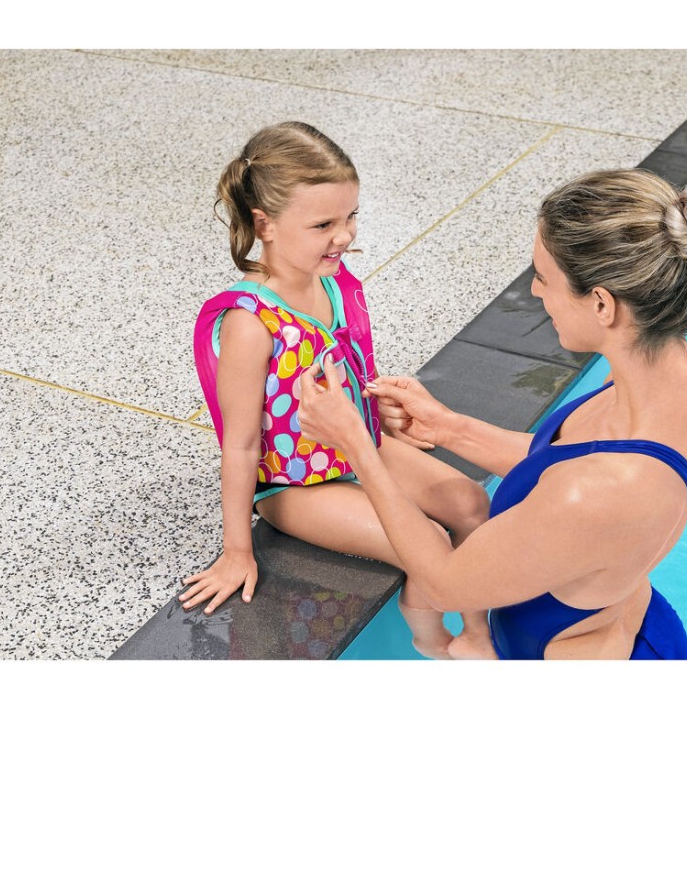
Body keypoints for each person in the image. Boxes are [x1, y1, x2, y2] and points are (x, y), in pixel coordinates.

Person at [297, 167, 687, 659]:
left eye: (543, 278)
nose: (535, 292)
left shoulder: (596, 493)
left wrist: (355, 444)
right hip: (630, 622)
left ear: (602, 304)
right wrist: (448, 426)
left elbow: (444, 584)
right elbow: (565, 460)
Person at [179, 121, 494, 659]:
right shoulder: (251, 324)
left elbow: (345, 370)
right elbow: (241, 444)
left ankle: (479, 632)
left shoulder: (337, 284)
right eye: (324, 224)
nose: (344, 236)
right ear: (265, 224)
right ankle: (434, 643)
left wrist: (382, 414)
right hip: (293, 485)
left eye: (350, 217)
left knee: (471, 503)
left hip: (355, 446)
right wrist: (237, 550)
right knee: (428, 543)